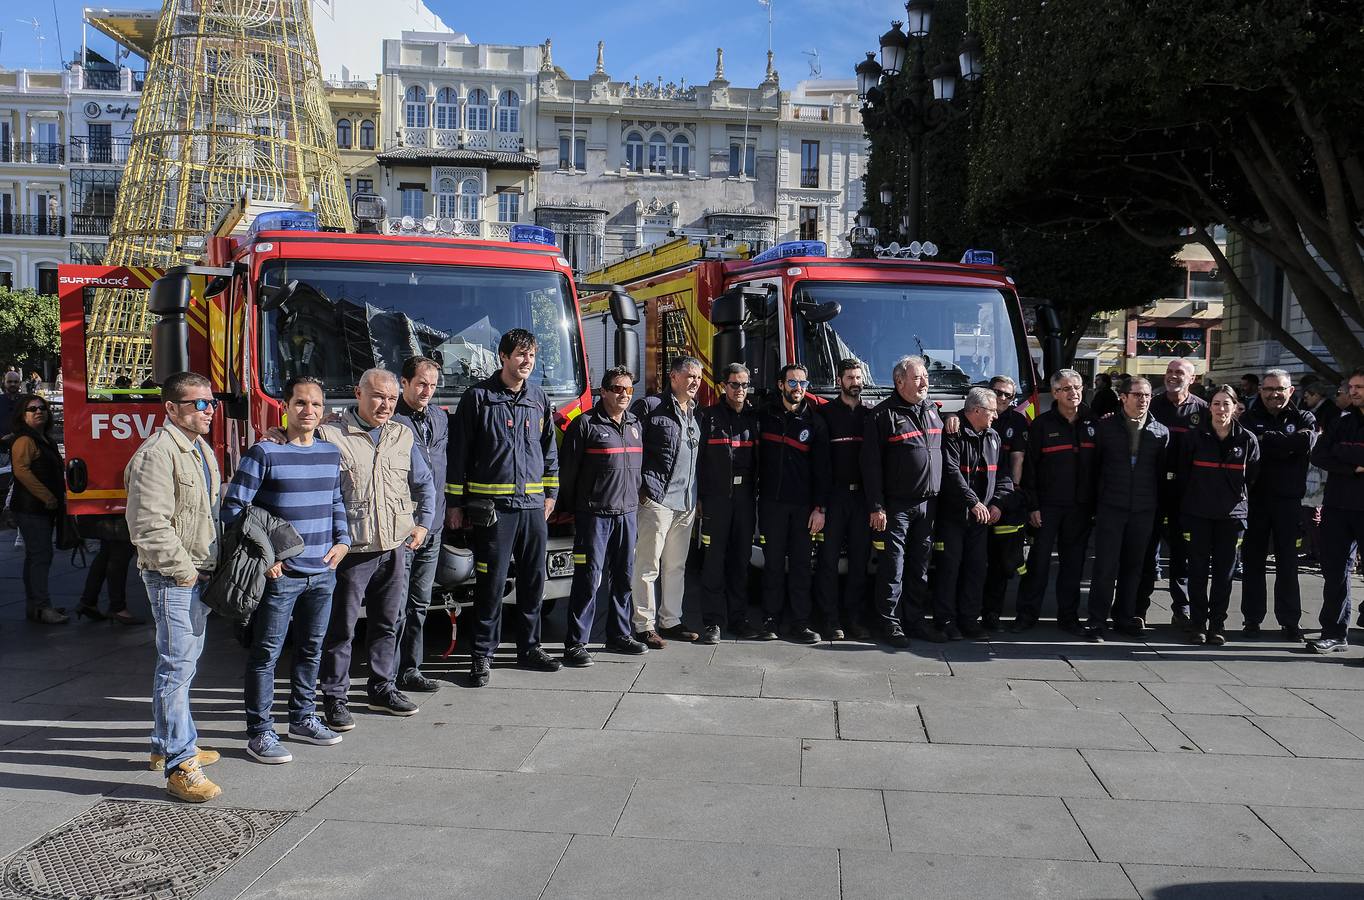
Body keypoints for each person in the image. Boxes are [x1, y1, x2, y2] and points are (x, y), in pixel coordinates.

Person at [223, 375, 351, 763]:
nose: (308, 411)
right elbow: (233, 509)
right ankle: (260, 732)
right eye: (300, 403)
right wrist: (268, 557)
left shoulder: (330, 453)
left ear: (323, 409)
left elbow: (335, 502)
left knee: (311, 650)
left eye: (315, 404)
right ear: (285, 406)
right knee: (266, 654)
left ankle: (302, 718)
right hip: (281, 578)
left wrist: (343, 541)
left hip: (323, 571)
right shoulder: (263, 453)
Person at [124, 371, 224, 802]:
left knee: (183, 665)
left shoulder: (199, 449)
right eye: (198, 404)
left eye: (211, 402)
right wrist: (185, 572)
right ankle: (182, 764)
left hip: (196, 573)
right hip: (174, 578)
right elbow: (148, 526)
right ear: (171, 408)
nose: (208, 411)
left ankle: (165, 746)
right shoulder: (157, 454)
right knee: (176, 668)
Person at [317, 368, 434, 728]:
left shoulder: (402, 435)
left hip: (394, 548)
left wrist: (423, 523)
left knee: (388, 623)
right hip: (351, 552)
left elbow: (424, 483)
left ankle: (382, 687)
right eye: (378, 396)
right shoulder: (329, 434)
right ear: (358, 393)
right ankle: (334, 698)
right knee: (342, 628)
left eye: (392, 398)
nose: (385, 404)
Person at [447, 329, 561, 686]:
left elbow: (549, 451)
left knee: (533, 580)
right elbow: (459, 455)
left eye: (531, 356)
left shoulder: (538, 398)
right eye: (520, 355)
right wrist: (455, 503)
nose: (527, 362)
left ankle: (529, 648)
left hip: (532, 509)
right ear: (503, 356)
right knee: (491, 584)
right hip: (493, 511)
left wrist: (551, 494)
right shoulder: (478, 398)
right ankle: (482, 655)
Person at [558, 366, 648, 665]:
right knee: (589, 579)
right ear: (604, 391)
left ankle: (619, 634)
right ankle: (576, 643)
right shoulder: (585, 425)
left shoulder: (635, 424)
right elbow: (568, 473)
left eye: (629, 390)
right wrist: (573, 510)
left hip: (627, 514)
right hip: (594, 516)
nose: (624, 395)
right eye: (618, 389)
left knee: (623, 577)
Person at [864, 355, 945, 647]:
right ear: (900, 381)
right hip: (896, 506)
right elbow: (871, 466)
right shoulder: (882, 416)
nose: (925, 382)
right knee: (893, 566)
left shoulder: (932, 411)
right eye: (918, 377)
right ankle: (889, 623)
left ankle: (915, 620)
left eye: (925, 377)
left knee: (919, 566)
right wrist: (877, 505)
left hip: (928, 504)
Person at [1013, 369, 1097, 634]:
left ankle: (1068, 617)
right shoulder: (1041, 425)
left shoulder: (1094, 423)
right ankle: (1027, 615)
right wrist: (1033, 505)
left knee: (1073, 564)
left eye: (1077, 387)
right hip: (1047, 507)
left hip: (1080, 508)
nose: (1074, 393)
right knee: (1038, 564)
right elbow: (1030, 470)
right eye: (1066, 389)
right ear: (1056, 393)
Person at [1086, 376, 1170, 642]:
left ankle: (1124, 617)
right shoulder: (1106, 427)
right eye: (1137, 395)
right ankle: (1097, 621)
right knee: (1105, 567)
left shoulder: (1160, 431)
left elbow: (1161, 473)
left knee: (1133, 567)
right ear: (1123, 397)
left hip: (1144, 508)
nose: (1143, 399)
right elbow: (1094, 467)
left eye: (1147, 395)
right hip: (1112, 506)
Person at [630, 356, 704, 648]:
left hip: (685, 502)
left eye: (698, 377)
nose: (695, 381)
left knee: (676, 566)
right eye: (690, 375)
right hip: (657, 500)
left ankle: (671, 620)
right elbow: (632, 449)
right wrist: (642, 489)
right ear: (673, 377)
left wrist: (696, 498)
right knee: (648, 566)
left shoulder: (695, 413)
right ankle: (643, 626)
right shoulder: (650, 407)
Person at [1179, 385, 1260, 645]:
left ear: (1235, 407)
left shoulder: (1247, 439)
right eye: (1216, 403)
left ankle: (1217, 625)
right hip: (1198, 513)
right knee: (1198, 571)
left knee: (1225, 574)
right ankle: (1197, 624)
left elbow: (1253, 477)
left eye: (1226, 404)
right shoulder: (1194, 437)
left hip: (1231, 517)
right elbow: (1182, 475)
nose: (1221, 408)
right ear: (1209, 407)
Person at [755, 363, 829, 643]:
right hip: (771, 504)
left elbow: (823, 470)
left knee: (800, 566)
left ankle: (801, 622)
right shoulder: (764, 416)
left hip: (804, 508)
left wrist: (819, 508)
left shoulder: (815, 422)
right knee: (772, 565)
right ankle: (770, 620)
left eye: (803, 383)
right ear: (780, 384)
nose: (798, 388)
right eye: (793, 383)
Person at [1239, 369, 1316, 639]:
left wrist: (1265, 439)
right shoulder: (1248, 417)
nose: (1274, 394)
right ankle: (1251, 619)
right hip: (1255, 499)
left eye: (1280, 389)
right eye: (1269, 389)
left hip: (1289, 500)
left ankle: (1290, 621)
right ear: (1261, 390)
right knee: (1253, 562)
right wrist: (1285, 444)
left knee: (1288, 563)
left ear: (1290, 390)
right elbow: (1248, 447)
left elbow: (1306, 442)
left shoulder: (1303, 416)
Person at [933, 387, 1014, 639]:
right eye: (992, 411)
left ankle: (969, 620)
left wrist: (998, 503)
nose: (996, 416)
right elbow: (950, 472)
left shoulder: (993, 437)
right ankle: (946, 622)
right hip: (954, 516)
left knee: (976, 569)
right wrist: (972, 502)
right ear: (976, 411)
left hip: (981, 519)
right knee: (949, 569)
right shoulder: (954, 433)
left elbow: (1003, 474)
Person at [392, 356, 449, 694]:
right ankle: (388, 673)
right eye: (421, 384)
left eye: (432, 385)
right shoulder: (390, 419)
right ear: (405, 383)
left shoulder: (439, 419)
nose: (427, 390)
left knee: (420, 604)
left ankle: (411, 670)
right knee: (395, 606)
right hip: (403, 529)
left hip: (435, 525)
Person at [1139, 358, 1208, 630]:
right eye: (1169, 371)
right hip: (1152, 489)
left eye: (1179, 372)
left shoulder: (1203, 410)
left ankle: (1182, 610)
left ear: (1192, 378)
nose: (1172, 376)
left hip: (1186, 493)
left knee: (1182, 555)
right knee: (1145, 552)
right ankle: (1138, 609)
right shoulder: (1151, 405)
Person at [697, 362, 760, 642]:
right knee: (713, 563)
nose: (740, 390)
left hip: (745, 500)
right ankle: (712, 622)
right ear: (724, 386)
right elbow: (697, 462)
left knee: (740, 562)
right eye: (735, 384)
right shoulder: (708, 418)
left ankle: (738, 618)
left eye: (744, 385)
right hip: (716, 501)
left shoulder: (754, 419)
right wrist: (698, 498)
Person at [1307, 367, 1364, 653]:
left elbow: (1333, 453)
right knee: (1335, 573)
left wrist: (1342, 453)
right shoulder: (1343, 422)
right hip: (1338, 507)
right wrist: (1354, 466)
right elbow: (1319, 454)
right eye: (1351, 387)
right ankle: (1333, 632)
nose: (1352, 392)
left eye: (1359, 387)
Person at [815, 359, 872, 641]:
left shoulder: (870, 415)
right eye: (849, 377)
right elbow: (820, 463)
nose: (854, 382)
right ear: (840, 381)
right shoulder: (825, 414)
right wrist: (821, 505)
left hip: (861, 498)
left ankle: (855, 619)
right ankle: (830, 620)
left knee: (859, 562)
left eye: (858, 377)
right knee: (828, 561)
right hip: (834, 496)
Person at [9, 395, 67, 624]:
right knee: (40, 556)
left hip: (41, 507)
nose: (38, 411)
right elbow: (21, 472)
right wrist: (47, 497)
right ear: (23, 415)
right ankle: (42, 606)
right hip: (32, 508)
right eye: (32, 409)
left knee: (36, 556)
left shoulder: (44, 438)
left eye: (42, 408)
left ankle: (36, 606)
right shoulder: (25, 440)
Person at [981, 375, 1028, 631]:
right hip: (978, 499)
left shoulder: (1017, 421)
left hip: (1003, 499)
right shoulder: (974, 413)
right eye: (997, 392)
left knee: (1000, 564)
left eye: (1007, 395)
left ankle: (991, 613)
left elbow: (1018, 460)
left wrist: (1011, 494)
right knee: (974, 560)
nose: (1001, 398)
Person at [77, 533, 143, 625]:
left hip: (107, 521)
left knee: (107, 550)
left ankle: (88, 600)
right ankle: (117, 607)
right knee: (121, 549)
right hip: (116, 521)